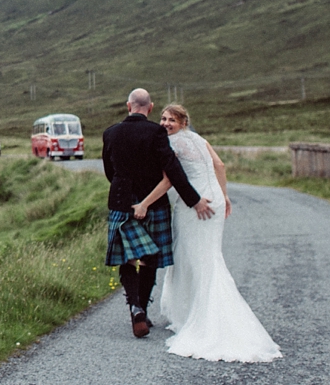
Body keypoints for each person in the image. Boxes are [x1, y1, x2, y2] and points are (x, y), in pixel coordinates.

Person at [132, 104, 282, 363]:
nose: (166, 123)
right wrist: (224, 195)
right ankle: (197, 311)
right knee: (209, 256)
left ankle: (201, 318)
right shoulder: (200, 139)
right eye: (164, 118)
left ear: (183, 122)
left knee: (194, 258)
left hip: (196, 204)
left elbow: (169, 180)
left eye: (172, 120)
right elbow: (219, 165)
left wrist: (144, 203)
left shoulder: (172, 144)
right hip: (215, 198)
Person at [102, 88, 214, 338]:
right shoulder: (156, 132)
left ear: (128, 105)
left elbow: (110, 171)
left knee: (127, 259)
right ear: (150, 108)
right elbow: (172, 169)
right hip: (154, 203)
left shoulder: (110, 133)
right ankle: (142, 307)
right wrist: (194, 200)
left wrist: (124, 189)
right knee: (149, 257)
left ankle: (135, 308)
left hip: (122, 202)